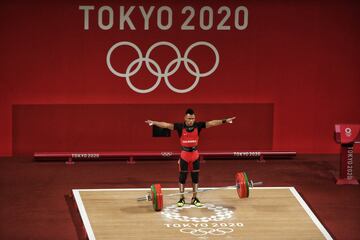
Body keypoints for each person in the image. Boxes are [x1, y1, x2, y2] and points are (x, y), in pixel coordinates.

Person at [145, 108, 235, 207]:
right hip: (184, 155)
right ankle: (181, 198)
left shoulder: (198, 125)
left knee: (195, 179)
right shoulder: (180, 127)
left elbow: (212, 123)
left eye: (193, 118)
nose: (191, 120)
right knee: (182, 178)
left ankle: (195, 198)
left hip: (195, 156)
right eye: (189, 118)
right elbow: (166, 125)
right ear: (185, 118)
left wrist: (225, 121)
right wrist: (154, 122)